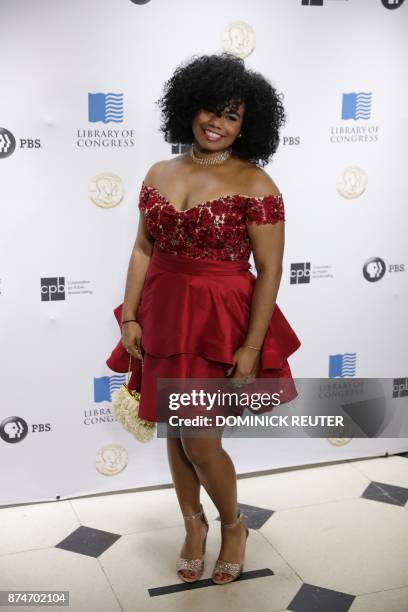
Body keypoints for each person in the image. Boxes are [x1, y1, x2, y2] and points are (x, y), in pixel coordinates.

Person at [106, 52, 301, 585]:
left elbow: (269, 269)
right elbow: (143, 249)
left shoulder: (258, 185)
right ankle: (193, 525)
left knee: (199, 438)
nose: (217, 123)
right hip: (163, 312)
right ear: (189, 109)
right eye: (211, 110)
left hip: (221, 319)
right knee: (176, 430)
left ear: (248, 124)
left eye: (232, 115)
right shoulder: (158, 172)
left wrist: (253, 345)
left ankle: (233, 525)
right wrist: (129, 318)